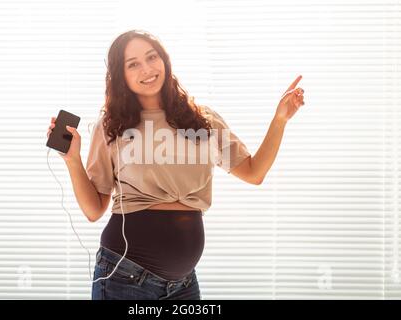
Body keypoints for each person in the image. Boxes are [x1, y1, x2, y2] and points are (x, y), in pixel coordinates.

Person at [46, 30, 305, 300]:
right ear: (120, 75)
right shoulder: (112, 127)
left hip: (183, 284)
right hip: (125, 278)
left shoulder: (203, 120)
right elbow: (94, 210)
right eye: (133, 64)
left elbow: (254, 173)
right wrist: (72, 159)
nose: (146, 68)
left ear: (165, 61)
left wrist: (280, 119)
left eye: (151, 57)